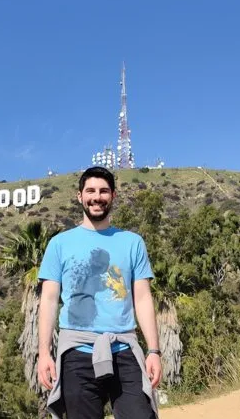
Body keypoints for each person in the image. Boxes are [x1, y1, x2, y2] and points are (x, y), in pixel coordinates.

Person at [37, 166, 161, 419]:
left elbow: (142, 298)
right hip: (76, 353)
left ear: (113, 196)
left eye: (104, 191)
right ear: (79, 196)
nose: (97, 197)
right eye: (91, 191)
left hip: (124, 349)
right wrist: (44, 353)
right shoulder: (59, 244)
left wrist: (154, 351)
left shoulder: (132, 242)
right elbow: (49, 300)